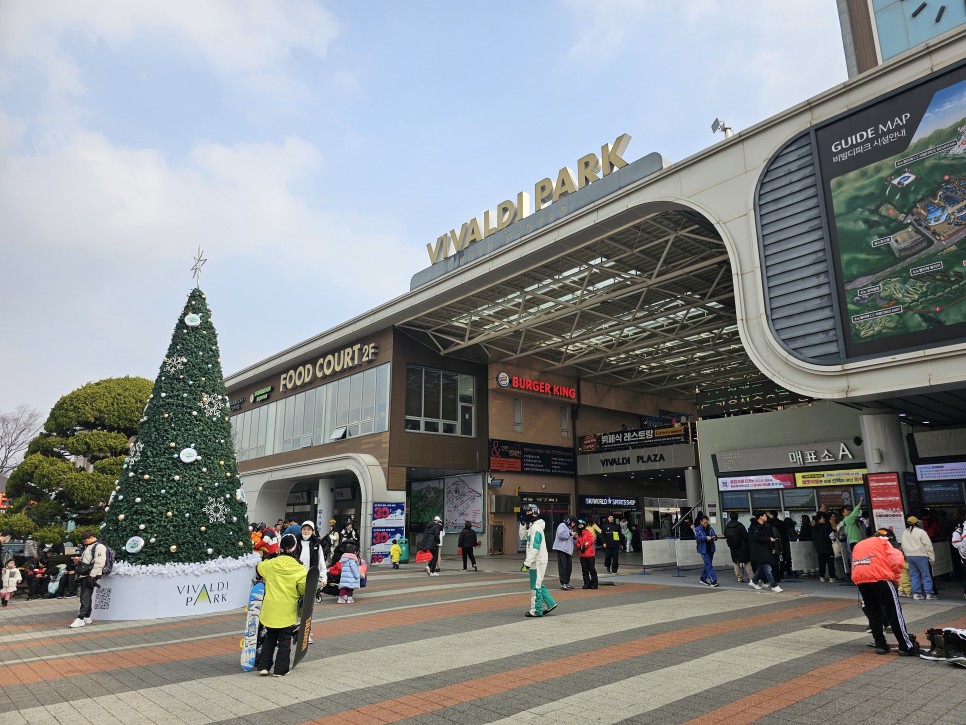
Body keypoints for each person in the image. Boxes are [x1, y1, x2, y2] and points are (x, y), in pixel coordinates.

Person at [851, 528, 918, 656]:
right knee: (894, 612)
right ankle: (905, 646)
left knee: (874, 613)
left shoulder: (860, 543)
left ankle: (880, 645)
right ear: (890, 537)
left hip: (861, 579)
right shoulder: (884, 541)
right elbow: (897, 560)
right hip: (881, 578)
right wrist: (896, 580)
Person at [254, 533, 307, 676]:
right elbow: (303, 589)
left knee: (270, 637)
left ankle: (263, 666)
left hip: (270, 608)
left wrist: (269, 558)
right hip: (287, 609)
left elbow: (259, 568)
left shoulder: (271, 564)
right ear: (295, 548)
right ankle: (280, 669)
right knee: (284, 640)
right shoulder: (300, 569)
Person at [520, 503, 557, 618]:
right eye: (526, 512)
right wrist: (522, 525)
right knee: (538, 583)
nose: (526, 514)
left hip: (537, 560)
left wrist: (527, 562)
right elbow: (523, 537)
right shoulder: (533, 526)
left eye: (528, 512)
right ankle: (550, 603)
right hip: (537, 560)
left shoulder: (536, 527)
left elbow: (534, 547)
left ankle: (536, 610)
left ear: (534, 512)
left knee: (535, 585)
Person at [69, 530, 106, 628]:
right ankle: (86, 616)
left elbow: (100, 563)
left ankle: (80, 618)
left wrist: (92, 576)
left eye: (85, 539)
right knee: (85, 596)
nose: (83, 542)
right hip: (86, 574)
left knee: (85, 596)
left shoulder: (99, 547)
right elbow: (90, 560)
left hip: (90, 575)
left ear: (91, 537)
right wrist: (80, 560)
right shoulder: (89, 546)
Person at [903, 516, 937, 600]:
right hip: (921, 555)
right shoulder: (921, 532)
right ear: (917, 523)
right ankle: (929, 593)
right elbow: (928, 545)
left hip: (909, 556)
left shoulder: (905, 532)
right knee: (926, 575)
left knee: (914, 575)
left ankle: (916, 593)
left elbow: (903, 545)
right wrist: (932, 558)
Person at [748, 511, 783, 592]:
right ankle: (774, 585)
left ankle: (754, 581)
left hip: (766, 549)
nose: (766, 517)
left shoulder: (766, 525)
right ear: (760, 517)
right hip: (759, 550)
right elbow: (756, 538)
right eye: (764, 515)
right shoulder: (754, 526)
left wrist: (772, 544)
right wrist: (768, 539)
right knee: (767, 567)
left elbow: (769, 535)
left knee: (762, 566)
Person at [723, 512, 754, 583]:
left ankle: (739, 577)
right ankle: (751, 577)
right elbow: (745, 536)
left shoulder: (727, 526)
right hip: (742, 546)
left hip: (733, 547)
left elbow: (725, 534)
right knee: (747, 562)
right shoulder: (740, 525)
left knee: (736, 563)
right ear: (737, 517)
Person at [694, 515, 719, 587]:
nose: (706, 524)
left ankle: (703, 578)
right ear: (701, 522)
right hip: (703, 549)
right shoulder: (697, 529)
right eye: (704, 522)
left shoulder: (710, 528)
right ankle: (713, 581)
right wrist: (705, 537)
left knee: (708, 564)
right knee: (709, 565)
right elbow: (697, 538)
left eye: (707, 522)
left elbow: (715, 536)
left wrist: (714, 538)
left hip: (711, 548)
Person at [552, 516, 575, 590]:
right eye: (573, 523)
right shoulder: (562, 525)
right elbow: (561, 535)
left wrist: (575, 538)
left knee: (569, 568)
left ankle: (567, 582)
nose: (573, 524)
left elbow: (571, 539)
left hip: (568, 550)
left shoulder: (570, 528)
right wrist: (571, 534)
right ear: (569, 521)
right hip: (561, 549)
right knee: (563, 567)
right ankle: (563, 583)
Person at [811, 512, 835, 583]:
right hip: (828, 547)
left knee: (821, 563)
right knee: (830, 563)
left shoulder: (813, 528)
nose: (824, 519)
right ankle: (831, 577)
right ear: (819, 519)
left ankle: (822, 576)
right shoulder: (827, 526)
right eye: (822, 518)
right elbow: (832, 536)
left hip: (819, 548)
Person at [575, 519, 598, 590]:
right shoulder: (578, 535)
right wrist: (579, 546)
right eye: (579, 525)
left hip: (590, 554)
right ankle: (587, 583)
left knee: (592, 569)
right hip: (582, 555)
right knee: (584, 570)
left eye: (581, 525)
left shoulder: (588, 532)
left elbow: (591, 540)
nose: (580, 526)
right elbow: (577, 543)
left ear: (584, 526)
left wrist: (585, 546)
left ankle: (594, 583)